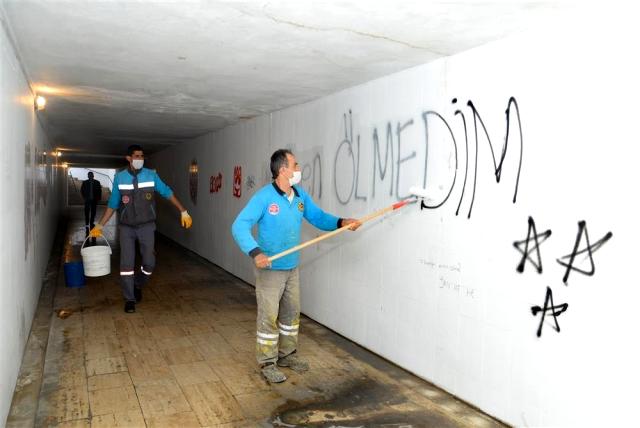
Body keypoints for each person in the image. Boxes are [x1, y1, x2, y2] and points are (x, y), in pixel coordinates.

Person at [232, 149, 361, 383]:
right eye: (295, 165)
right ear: (283, 170)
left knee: (291, 315)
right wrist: (255, 252)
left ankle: (287, 355)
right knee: (268, 318)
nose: (298, 169)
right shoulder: (263, 198)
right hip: (269, 269)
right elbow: (239, 226)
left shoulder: (300, 196)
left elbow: (319, 217)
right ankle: (267, 362)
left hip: (292, 267)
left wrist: (342, 222)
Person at [89, 145, 193, 313]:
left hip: (146, 226)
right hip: (126, 228)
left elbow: (167, 192)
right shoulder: (120, 178)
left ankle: (138, 283)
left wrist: (183, 211)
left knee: (149, 263)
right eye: (136, 156)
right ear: (129, 158)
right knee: (126, 265)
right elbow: (113, 203)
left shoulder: (151, 175)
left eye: (142, 156)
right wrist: (100, 225)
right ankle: (129, 298)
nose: (140, 159)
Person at [81, 171, 102, 237]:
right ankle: (87, 222)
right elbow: (82, 190)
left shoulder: (97, 182)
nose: (90, 176)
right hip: (87, 200)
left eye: (91, 175)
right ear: (88, 176)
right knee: (86, 211)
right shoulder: (85, 182)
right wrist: (84, 197)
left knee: (93, 211)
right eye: (89, 175)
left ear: (93, 176)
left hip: (94, 200)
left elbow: (99, 191)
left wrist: (98, 198)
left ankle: (91, 222)